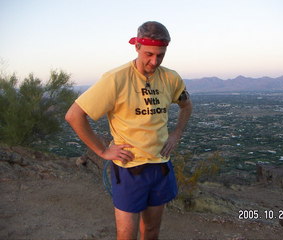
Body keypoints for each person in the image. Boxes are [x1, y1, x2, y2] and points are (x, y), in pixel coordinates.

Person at [65, 21, 192, 240]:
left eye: (160, 55)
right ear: (137, 47)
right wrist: (102, 151)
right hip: (129, 168)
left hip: (160, 165)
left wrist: (176, 133)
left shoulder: (171, 78)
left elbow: (186, 105)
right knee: (126, 234)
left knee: (151, 231)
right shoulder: (116, 79)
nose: (154, 61)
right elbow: (74, 115)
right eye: (149, 54)